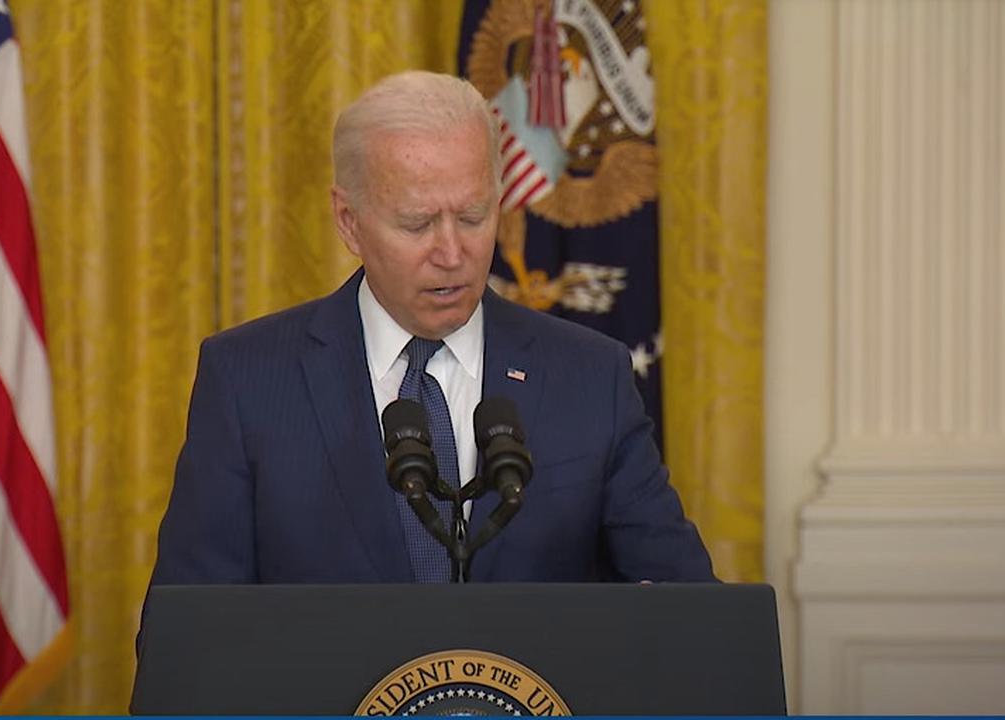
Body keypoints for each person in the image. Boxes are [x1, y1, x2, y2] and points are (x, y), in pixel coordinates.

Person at [146, 70, 714, 588]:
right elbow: (189, 642)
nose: (452, 253)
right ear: (349, 221)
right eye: (417, 224)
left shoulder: (592, 377)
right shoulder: (248, 381)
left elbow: (688, 614)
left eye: (473, 217)